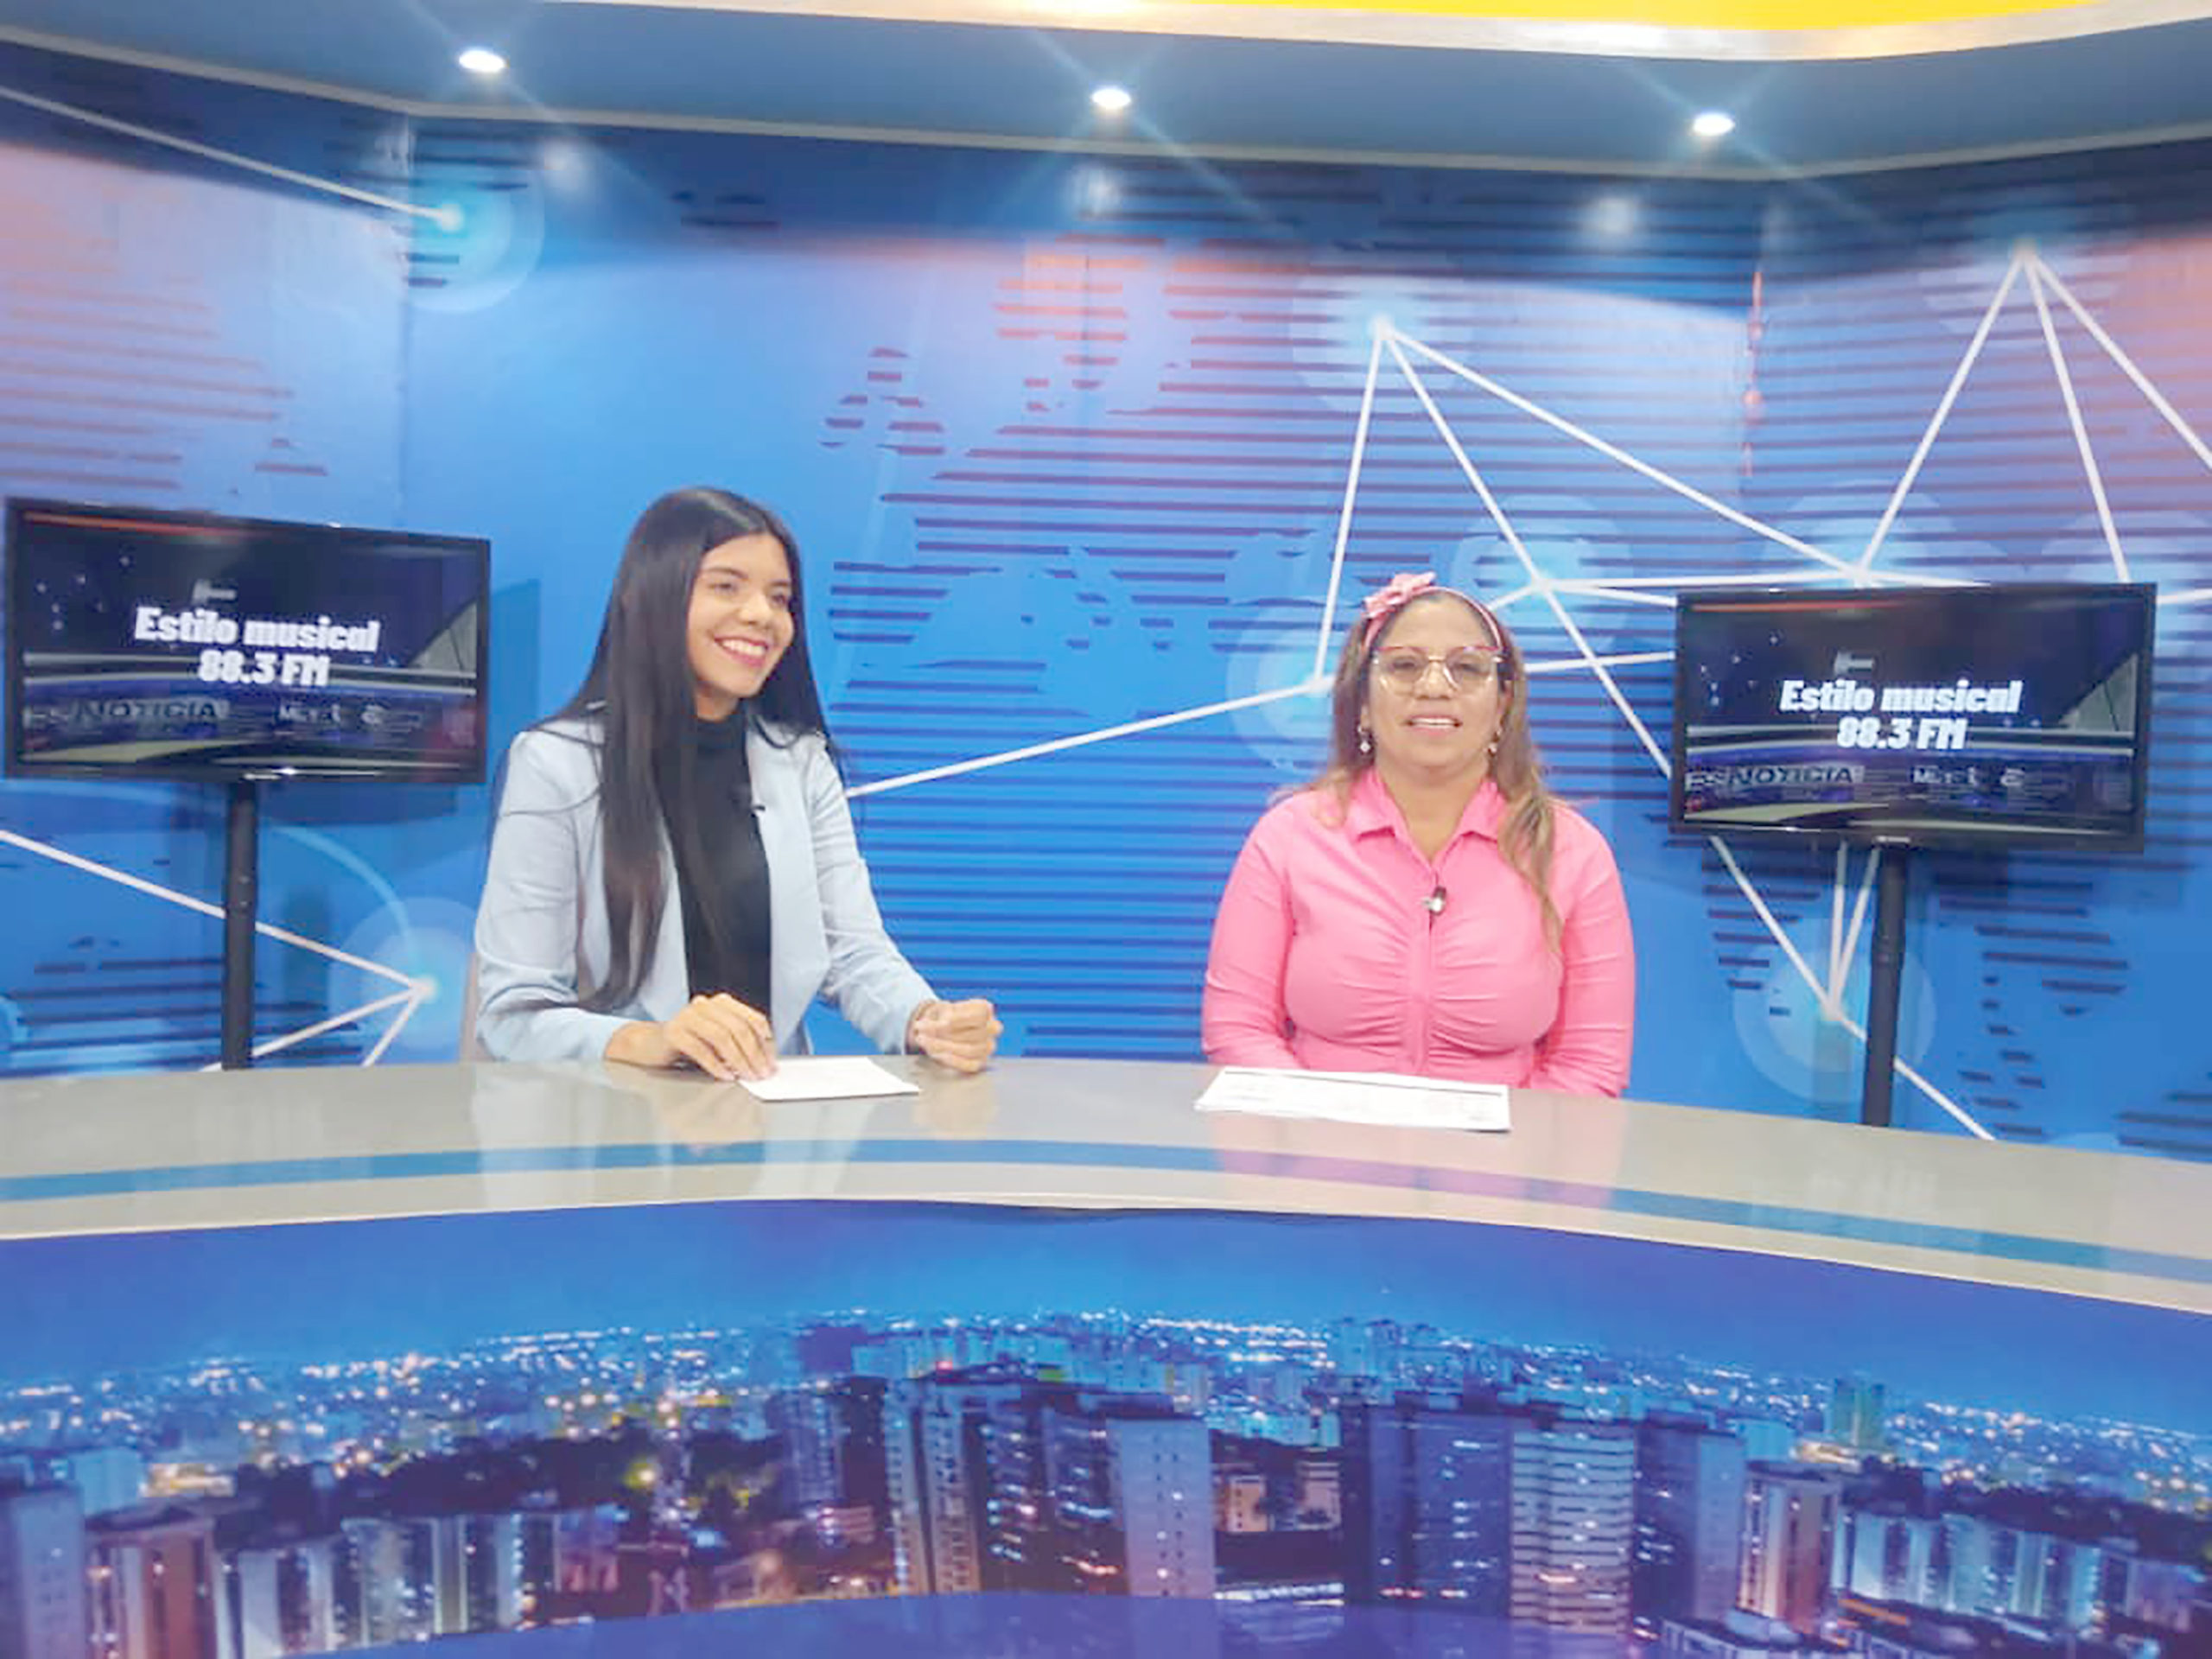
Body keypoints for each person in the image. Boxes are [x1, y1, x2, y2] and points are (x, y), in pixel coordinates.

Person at [474, 487, 1001, 1080]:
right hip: (617, 1116)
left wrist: (924, 1019)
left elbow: (853, 952)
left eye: (779, 598)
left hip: (775, 1117)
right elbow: (512, 1013)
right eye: (726, 586)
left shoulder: (802, 761)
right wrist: (651, 1039)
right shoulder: (554, 764)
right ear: (648, 595)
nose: (760, 616)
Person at [1202, 570, 1633, 1094]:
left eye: (1467, 667)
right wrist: (1317, 1124)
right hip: (1316, 1138)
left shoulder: (1571, 851)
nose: (1433, 687)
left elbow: (1590, 1062)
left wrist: (1516, 1144)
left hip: (1512, 1144)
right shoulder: (1289, 836)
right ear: (1362, 703)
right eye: (1404, 666)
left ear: (1503, 704)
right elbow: (1238, 1028)